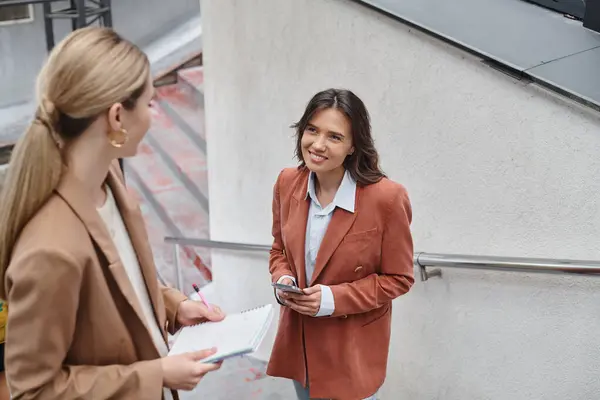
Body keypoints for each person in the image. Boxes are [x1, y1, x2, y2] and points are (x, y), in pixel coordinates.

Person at [0, 27, 224, 399]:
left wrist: (173, 306)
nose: (154, 114)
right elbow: (33, 390)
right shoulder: (49, 251)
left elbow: (121, 279)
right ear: (117, 117)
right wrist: (156, 376)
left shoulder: (108, 180)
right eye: (150, 103)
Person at [266, 89, 415, 400]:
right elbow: (278, 249)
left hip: (350, 351)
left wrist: (333, 299)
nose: (318, 145)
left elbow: (399, 279)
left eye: (334, 137)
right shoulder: (286, 182)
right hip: (301, 346)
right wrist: (283, 280)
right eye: (312, 130)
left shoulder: (386, 198)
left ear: (353, 146)